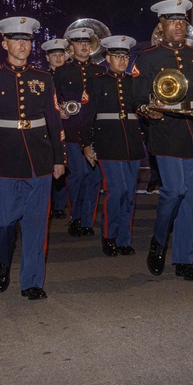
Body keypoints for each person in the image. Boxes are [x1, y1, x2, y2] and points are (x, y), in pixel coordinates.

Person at [0, 16, 65, 300]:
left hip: (40, 159)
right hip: (4, 160)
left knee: (37, 224)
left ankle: (32, 282)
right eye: (16, 39)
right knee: (4, 221)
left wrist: (59, 158)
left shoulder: (44, 78)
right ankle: (2, 259)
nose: (22, 44)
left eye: (26, 40)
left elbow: (54, 120)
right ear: (5, 43)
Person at [133, 0, 193, 281]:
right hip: (166, 132)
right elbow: (137, 98)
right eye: (172, 22)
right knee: (174, 191)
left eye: (182, 21)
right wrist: (148, 112)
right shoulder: (148, 57)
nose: (178, 26)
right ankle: (159, 240)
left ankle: (184, 259)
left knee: (192, 199)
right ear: (161, 25)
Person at [79, 35, 144, 257]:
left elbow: (141, 110)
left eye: (125, 56)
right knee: (117, 190)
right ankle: (109, 235)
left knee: (129, 194)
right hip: (108, 143)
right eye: (117, 56)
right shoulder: (97, 82)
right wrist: (87, 144)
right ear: (107, 57)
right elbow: (86, 116)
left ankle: (124, 239)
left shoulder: (134, 82)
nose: (123, 60)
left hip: (133, 145)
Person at [53, 26, 106, 237]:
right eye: (79, 43)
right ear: (71, 47)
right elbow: (53, 100)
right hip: (73, 131)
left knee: (94, 178)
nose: (83, 46)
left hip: (97, 131)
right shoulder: (62, 71)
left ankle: (87, 221)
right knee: (79, 175)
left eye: (87, 42)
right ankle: (75, 217)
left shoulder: (100, 71)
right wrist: (61, 111)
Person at [41, 37, 70, 219]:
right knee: (49, 165)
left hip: (69, 127)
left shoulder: (71, 76)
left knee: (65, 166)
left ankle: (60, 204)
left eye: (61, 54)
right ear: (47, 57)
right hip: (47, 128)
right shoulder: (43, 78)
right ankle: (49, 203)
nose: (58, 58)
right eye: (54, 55)